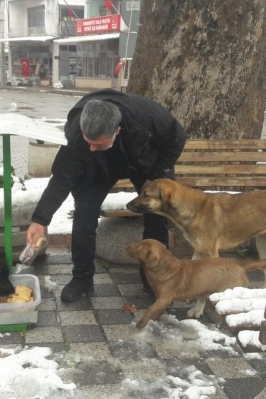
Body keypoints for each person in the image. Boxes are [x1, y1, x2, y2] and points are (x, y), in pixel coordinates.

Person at [26, 89, 187, 302]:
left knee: (156, 215)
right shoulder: (78, 134)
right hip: (100, 168)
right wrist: (39, 220)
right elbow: (62, 179)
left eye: (98, 144)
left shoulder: (148, 118)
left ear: (117, 131)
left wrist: (156, 175)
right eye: (88, 142)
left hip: (145, 161)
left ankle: (154, 280)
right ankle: (82, 278)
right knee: (84, 213)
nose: (92, 147)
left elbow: (177, 138)